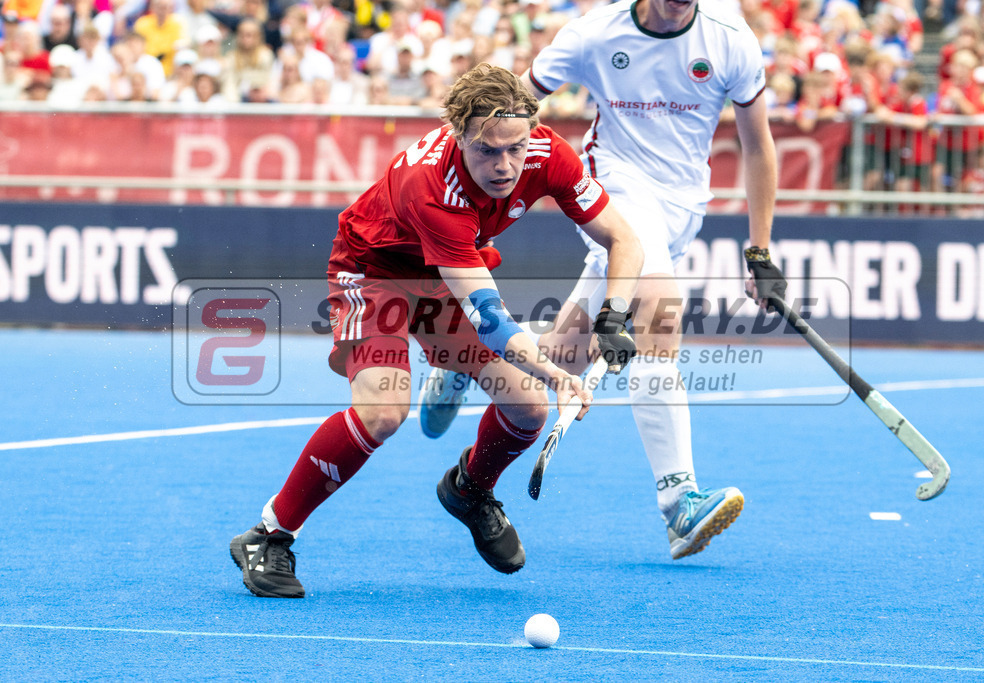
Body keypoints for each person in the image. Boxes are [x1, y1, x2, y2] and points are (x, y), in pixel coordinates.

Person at [229, 63, 643, 598]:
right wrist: (559, 375)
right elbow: (491, 321)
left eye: (515, 148)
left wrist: (614, 315)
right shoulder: (432, 189)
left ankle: (470, 488)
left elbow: (623, 239)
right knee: (383, 411)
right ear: (458, 135)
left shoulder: (548, 153)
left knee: (528, 408)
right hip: (375, 270)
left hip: (447, 270)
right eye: (487, 151)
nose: (505, 166)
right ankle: (269, 535)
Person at [419, 0, 787, 561]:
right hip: (615, 188)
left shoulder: (730, 39)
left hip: (683, 206)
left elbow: (758, 144)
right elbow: (510, 105)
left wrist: (759, 248)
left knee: (563, 357)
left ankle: (467, 359)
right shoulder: (595, 32)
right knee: (660, 311)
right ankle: (679, 502)